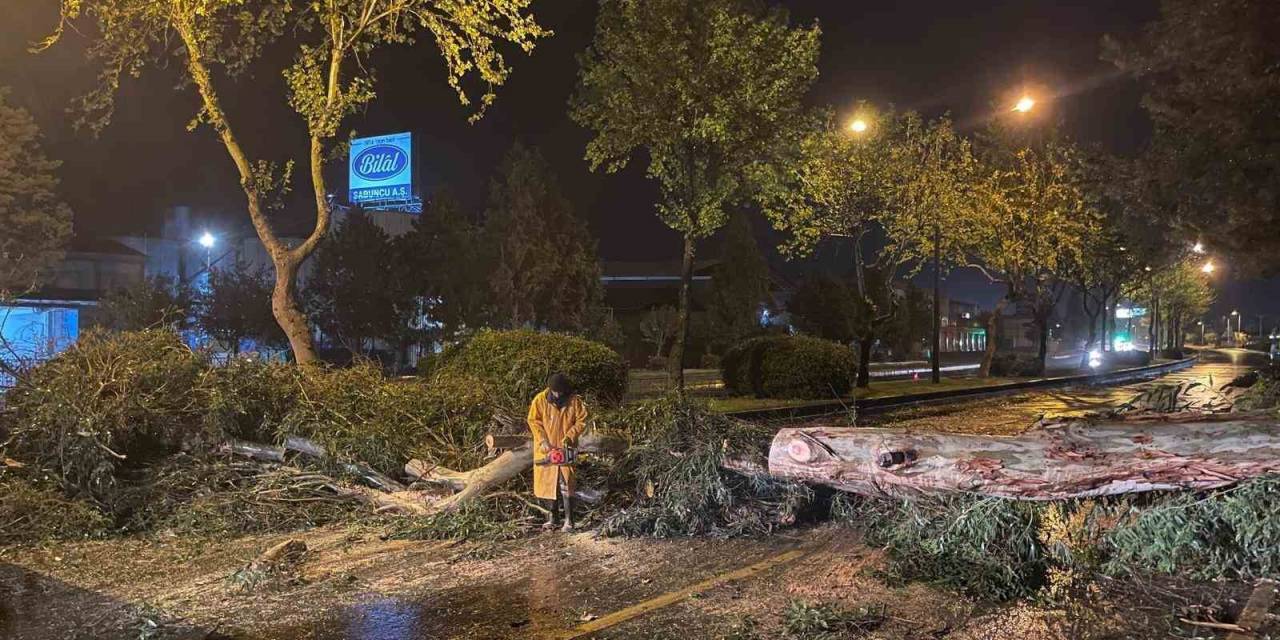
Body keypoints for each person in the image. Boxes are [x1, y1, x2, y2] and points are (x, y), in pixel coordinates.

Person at [526, 373, 587, 531]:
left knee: (567, 483)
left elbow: (582, 421)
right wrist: (542, 440)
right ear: (550, 389)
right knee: (548, 483)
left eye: (560, 391)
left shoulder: (574, 401)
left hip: (567, 448)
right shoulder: (540, 400)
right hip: (547, 448)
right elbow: (533, 421)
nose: (558, 394)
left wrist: (570, 435)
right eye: (555, 391)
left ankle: (569, 520)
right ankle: (553, 518)